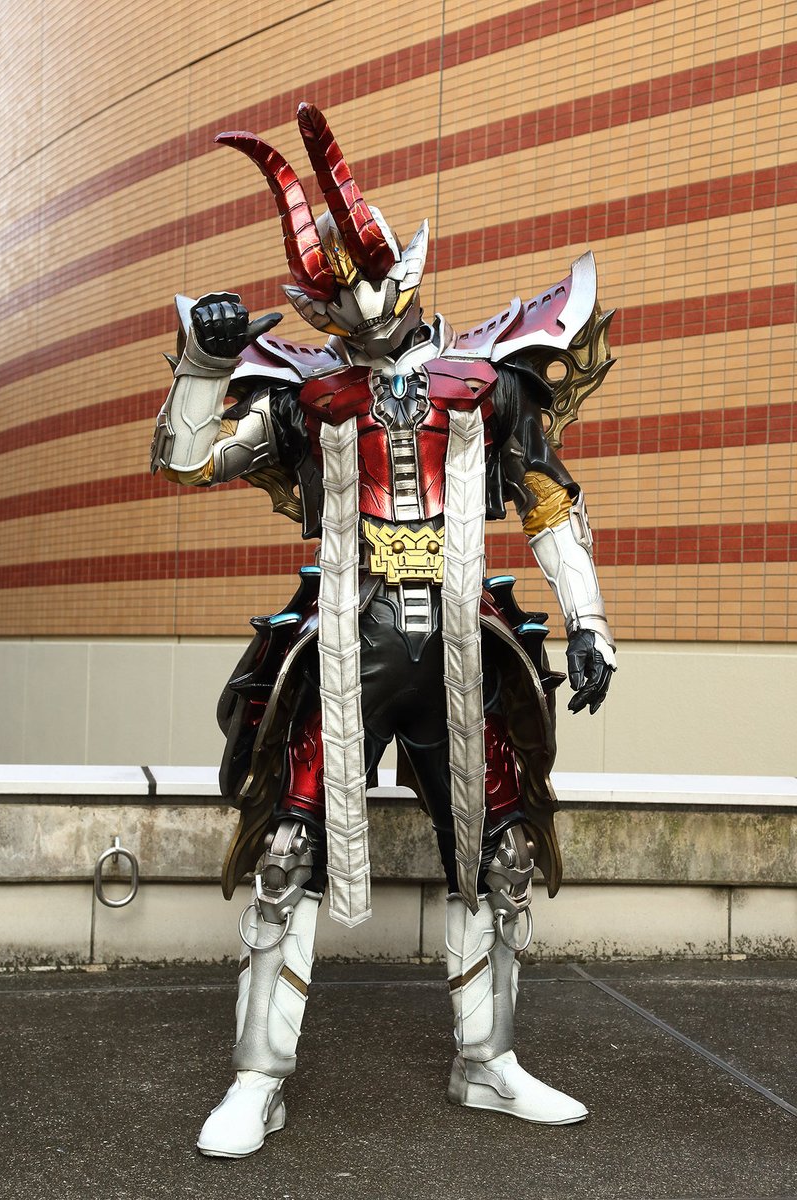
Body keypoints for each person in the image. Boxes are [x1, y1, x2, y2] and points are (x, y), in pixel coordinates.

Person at [151, 103, 617, 1158]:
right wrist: (203, 363)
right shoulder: (307, 394)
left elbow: (547, 500)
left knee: (500, 856)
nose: (356, 309)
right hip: (344, 641)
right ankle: (257, 1079)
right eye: (332, 299)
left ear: (405, 269)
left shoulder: (487, 379)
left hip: (463, 644)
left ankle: (487, 1062)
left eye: (367, 284)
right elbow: (187, 463)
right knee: (287, 852)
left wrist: (588, 620)